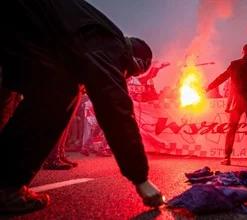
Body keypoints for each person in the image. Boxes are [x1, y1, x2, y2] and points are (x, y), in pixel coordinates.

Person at [0, 0, 164, 213]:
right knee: (62, 92)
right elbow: (116, 109)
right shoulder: (110, 46)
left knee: (35, 90)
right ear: (130, 62)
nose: (121, 76)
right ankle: (6, 187)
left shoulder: (92, 34)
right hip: (17, 21)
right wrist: (141, 179)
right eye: (126, 73)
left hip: (18, 26)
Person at [206, 43, 247, 167]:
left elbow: (222, 77)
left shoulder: (235, 64)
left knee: (232, 129)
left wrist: (209, 87)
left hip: (237, 101)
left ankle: (227, 158)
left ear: (242, 51)